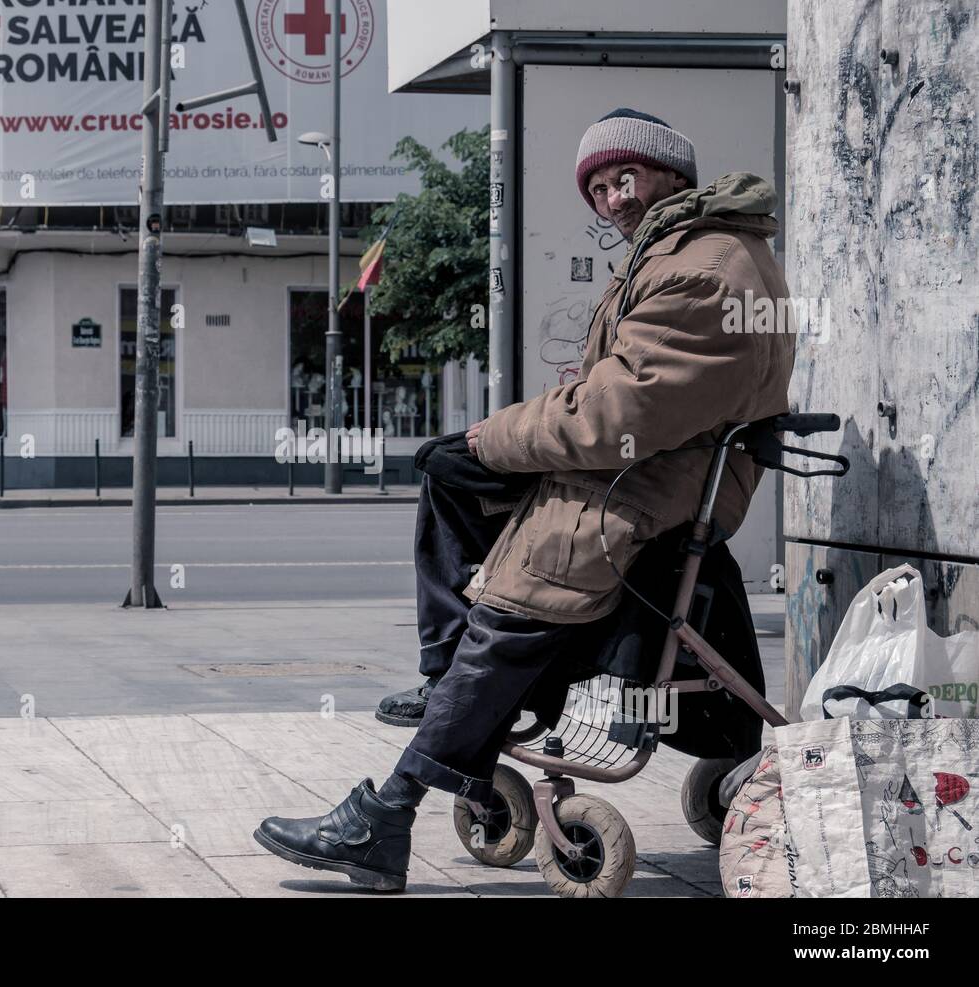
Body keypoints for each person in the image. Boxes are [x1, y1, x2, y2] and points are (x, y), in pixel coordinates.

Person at [254, 108, 797, 892]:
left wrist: (492, 437)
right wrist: (482, 446)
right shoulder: (689, 250)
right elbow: (617, 396)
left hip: (638, 493)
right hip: (645, 476)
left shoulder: (703, 267)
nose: (611, 198)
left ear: (671, 175)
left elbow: (614, 414)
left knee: (519, 587)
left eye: (625, 178)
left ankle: (387, 814)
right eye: (598, 187)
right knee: (447, 473)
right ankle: (447, 682)